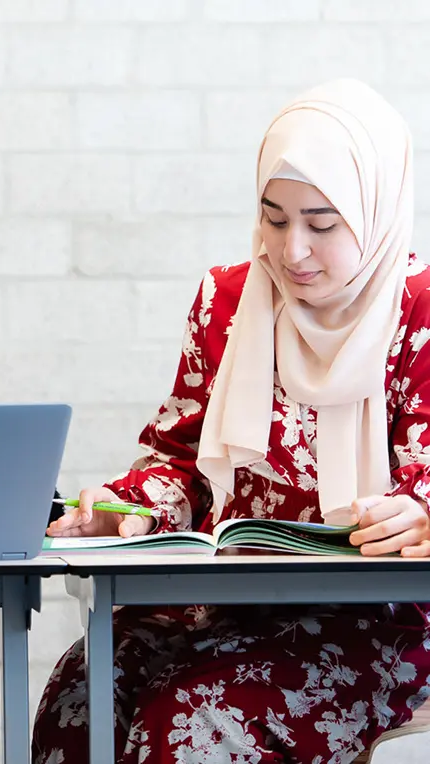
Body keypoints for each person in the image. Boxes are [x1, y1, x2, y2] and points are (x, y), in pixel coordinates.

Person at [33, 79, 430, 763]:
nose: (292, 250)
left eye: (322, 223)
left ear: (376, 209)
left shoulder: (417, 311)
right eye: (273, 219)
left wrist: (417, 515)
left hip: (377, 618)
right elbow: (180, 459)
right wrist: (122, 510)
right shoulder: (228, 301)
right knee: (82, 695)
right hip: (225, 598)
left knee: (198, 721)